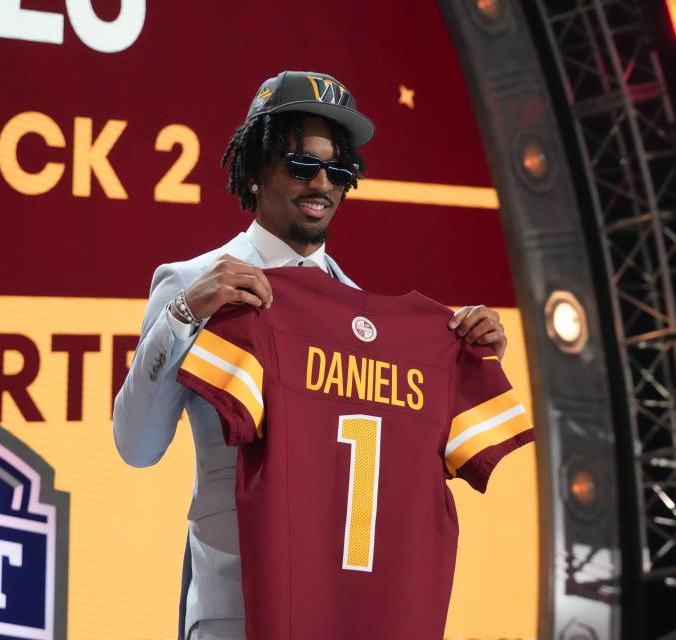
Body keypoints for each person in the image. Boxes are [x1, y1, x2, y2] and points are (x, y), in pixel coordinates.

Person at [113, 70, 508, 640]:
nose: (322, 182)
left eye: (338, 170)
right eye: (301, 165)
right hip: (236, 608)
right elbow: (136, 445)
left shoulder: (369, 324)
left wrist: (472, 351)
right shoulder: (193, 283)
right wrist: (182, 314)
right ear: (253, 170)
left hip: (346, 611)